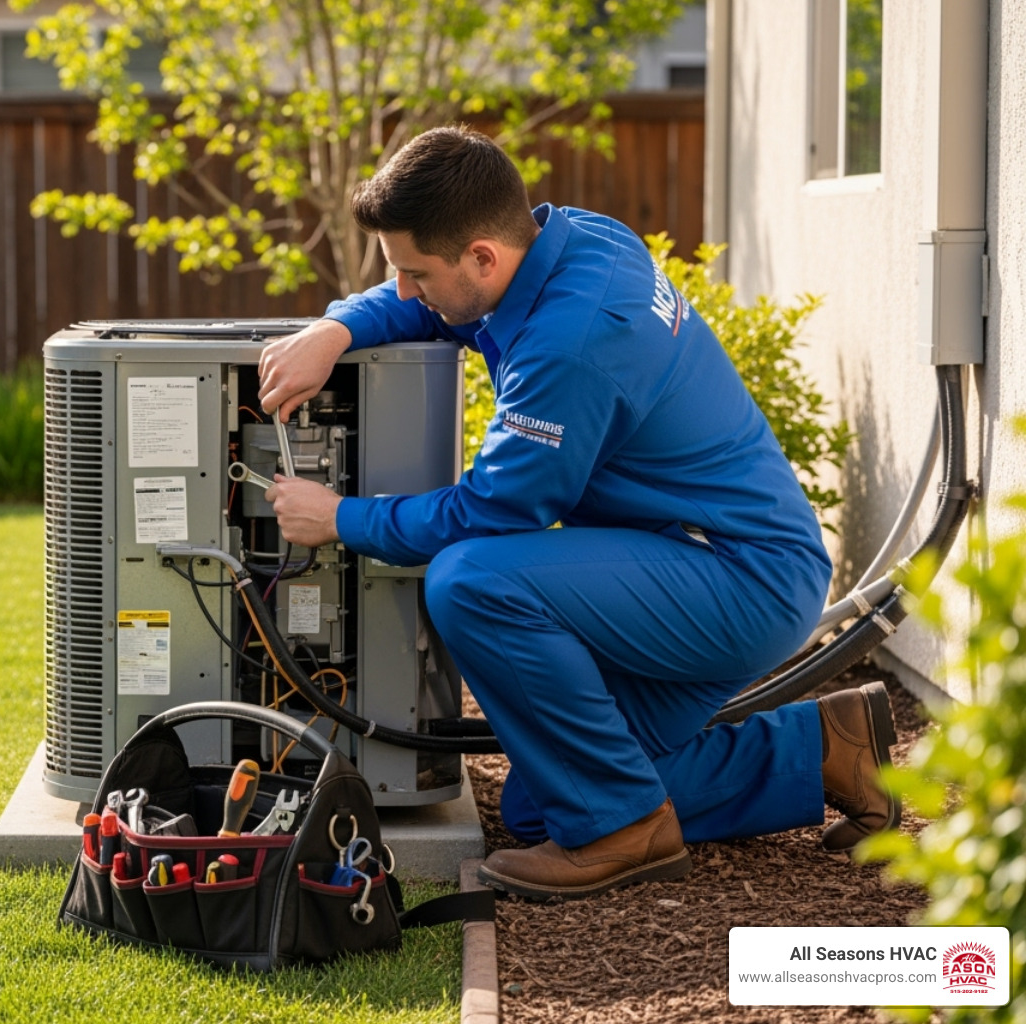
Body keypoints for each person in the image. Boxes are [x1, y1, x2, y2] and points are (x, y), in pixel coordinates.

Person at [256, 126, 900, 901]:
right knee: (540, 807)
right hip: (694, 557)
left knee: (471, 580)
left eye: (411, 272)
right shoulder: (577, 241)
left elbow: (492, 513)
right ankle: (830, 748)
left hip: (737, 580)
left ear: (483, 256)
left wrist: (341, 518)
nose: (403, 291)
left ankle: (622, 834)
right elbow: (443, 308)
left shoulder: (571, 346)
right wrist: (339, 325)